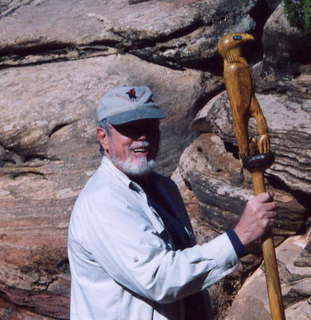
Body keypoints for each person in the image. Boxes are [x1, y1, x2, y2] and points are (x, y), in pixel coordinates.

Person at [68, 85, 277, 320]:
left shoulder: (164, 189)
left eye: (149, 126)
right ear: (103, 137)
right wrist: (238, 238)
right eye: (130, 129)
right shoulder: (104, 200)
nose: (143, 137)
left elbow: (188, 281)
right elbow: (158, 279)